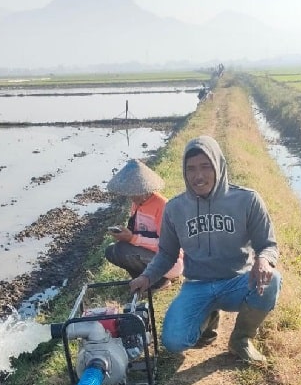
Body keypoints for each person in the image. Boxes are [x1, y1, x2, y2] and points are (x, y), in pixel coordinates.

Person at [129, 135, 281, 365]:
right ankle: (208, 316)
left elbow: (268, 245)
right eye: (190, 169)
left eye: (205, 167)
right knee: (174, 342)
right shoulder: (175, 208)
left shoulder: (247, 200)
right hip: (198, 285)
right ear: (184, 172)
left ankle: (240, 339)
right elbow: (167, 254)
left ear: (218, 165)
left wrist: (264, 260)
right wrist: (147, 276)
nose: (198, 176)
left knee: (272, 280)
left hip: (237, 282)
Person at [105, 158, 183, 290]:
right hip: (150, 255)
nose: (131, 197)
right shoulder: (136, 203)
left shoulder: (162, 206)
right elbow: (137, 231)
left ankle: (160, 281)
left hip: (172, 261)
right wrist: (125, 233)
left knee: (121, 250)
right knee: (111, 251)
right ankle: (141, 279)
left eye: (134, 193)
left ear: (146, 189)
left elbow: (166, 245)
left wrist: (133, 239)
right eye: (130, 193)